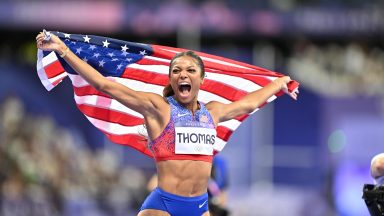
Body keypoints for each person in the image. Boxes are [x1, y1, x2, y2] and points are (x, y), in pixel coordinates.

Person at [36, 32, 297, 216]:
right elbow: (104, 85)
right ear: (171, 80)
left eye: (190, 71)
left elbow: (248, 104)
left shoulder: (213, 112)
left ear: (202, 79)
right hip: (164, 206)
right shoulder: (158, 108)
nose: (182, 74)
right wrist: (64, 50)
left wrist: (278, 84)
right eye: (176, 71)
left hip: (200, 207)